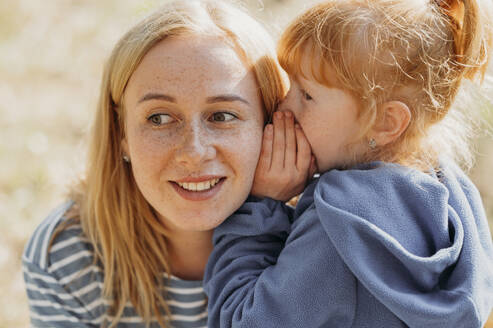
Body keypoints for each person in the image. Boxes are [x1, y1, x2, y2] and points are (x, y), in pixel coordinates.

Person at [204, 0, 493, 327]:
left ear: (386, 123)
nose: (283, 106)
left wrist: (259, 208)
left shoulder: (338, 220)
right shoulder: (455, 194)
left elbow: (242, 321)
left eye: (307, 95)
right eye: (290, 84)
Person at [21, 0, 292, 326]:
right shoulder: (66, 256)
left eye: (222, 116)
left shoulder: (315, 238)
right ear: (121, 133)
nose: (194, 151)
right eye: (160, 118)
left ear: (271, 125)